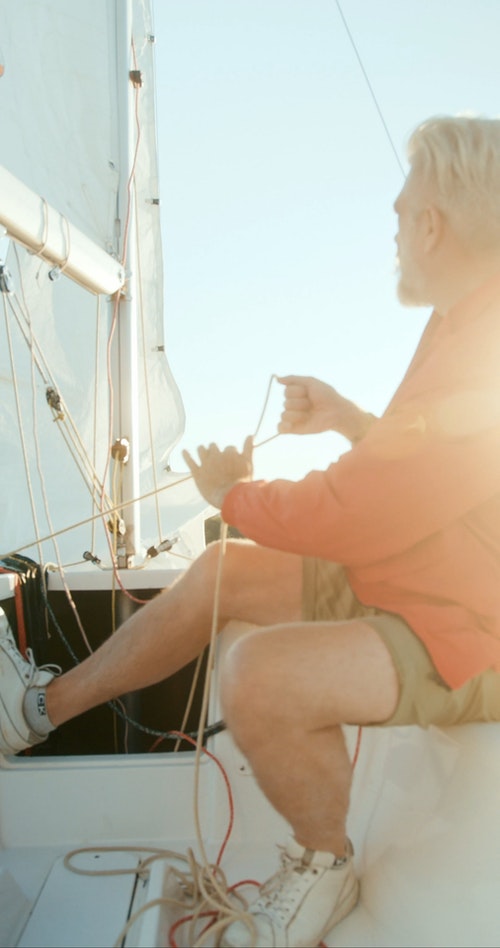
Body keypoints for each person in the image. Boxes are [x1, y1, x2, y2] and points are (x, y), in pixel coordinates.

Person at [3, 113, 500, 948]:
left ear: (432, 222)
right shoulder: (458, 322)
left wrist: (235, 492)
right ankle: (36, 711)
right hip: (429, 576)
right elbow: (429, 468)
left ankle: (320, 868)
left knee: (261, 676)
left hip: (472, 626)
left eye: (400, 208)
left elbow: (362, 509)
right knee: (223, 571)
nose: (394, 224)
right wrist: (347, 417)